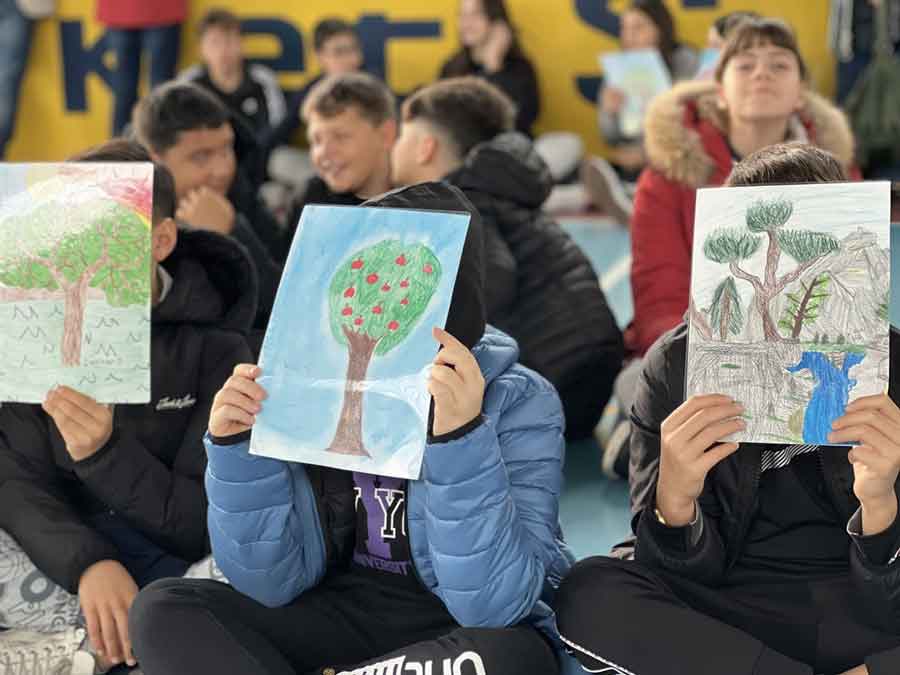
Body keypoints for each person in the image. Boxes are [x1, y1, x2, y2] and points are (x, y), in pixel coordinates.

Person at [128, 181, 573, 675]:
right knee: (163, 609)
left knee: (511, 658)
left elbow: (493, 604)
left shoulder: (521, 400)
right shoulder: (312, 379)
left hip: (450, 631)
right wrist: (237, 449)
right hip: (338, 615)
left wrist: (459, 438)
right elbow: (268, 580)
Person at [555, 142, 900, 675]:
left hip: (860, 605)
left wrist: (880, 505)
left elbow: (889, 595)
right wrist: (675, 499)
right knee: (587, 591)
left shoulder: (890, 364)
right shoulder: (676, 364)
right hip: (730, 608)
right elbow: (668, 569)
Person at [0, 139, 255, 672]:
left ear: (161, 240)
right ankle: (94, 640)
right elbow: (15, 483)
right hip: (59, 558)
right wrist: (89, 563)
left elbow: (205, 520)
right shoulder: (29, 324)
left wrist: (103, 453)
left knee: (253, 555)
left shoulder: (217, 347)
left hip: (178, 563)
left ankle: (103, 643)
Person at [597, 18, 859, 481]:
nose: (762, 73)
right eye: (745, 64)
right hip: (699, 348)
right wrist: (725, 363)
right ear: (717, 91)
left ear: (800, 92)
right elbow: (660, 294)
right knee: (643, 379)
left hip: (808, 357)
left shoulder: (840, 177)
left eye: (779, 64)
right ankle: (639, 429)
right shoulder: (669, 177)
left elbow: (851, 293)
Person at [391, 76, 624, 439]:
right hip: (589, 376)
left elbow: (494, 278)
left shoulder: (458, 200)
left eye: (401, 136)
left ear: (425, 148)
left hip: (547, 389)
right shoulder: (493, 190)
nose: (395, 147)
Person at [132, 81, 284, 333]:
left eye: (227, 149)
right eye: (201, 156)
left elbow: (284, 310)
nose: (223, 169)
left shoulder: (242, 194)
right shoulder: (120, 214)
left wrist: (234, 232)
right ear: (155, 160)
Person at [580, 0, 699, 226]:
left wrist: (646, 153)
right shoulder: (619, 68)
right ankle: (633, 198)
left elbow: (693, 121)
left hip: (673, 153)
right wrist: (608, 111)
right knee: (590, 169)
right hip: (634, 159)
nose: (630, 35)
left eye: (639, 27)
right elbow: (610, 136)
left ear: (661, 29)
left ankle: (635, 202)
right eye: (625, 28)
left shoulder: (684, 61)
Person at [262, 19, 367, 222]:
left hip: (360, 168)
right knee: (278, 161)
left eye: (353, 50)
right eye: (339, 52)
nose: (350, 60)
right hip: (322, 166)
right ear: (321, 57)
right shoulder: (312, 90)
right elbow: (277, 135)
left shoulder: (371, 88)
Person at [284, 72, 397, 239]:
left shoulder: (421, 200)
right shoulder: (311, 200)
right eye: (316, 140)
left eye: (340, 137)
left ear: (385, 135)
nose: (324, 152)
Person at [180, 8, 286, 139]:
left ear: (242, 44)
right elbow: (178, 131)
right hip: (205, 155)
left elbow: (278, 129)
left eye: (229, 41)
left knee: (282, 157)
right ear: (201, 49)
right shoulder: (188, 84)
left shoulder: (262, 79)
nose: (223, 50)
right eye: (215, 43)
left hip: (257, 154)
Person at [96, 0, 185, 136]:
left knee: (159, 91)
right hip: (121, 11)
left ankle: (159, 148)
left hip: (160, 11)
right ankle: (121, 151)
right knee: (128, 90)